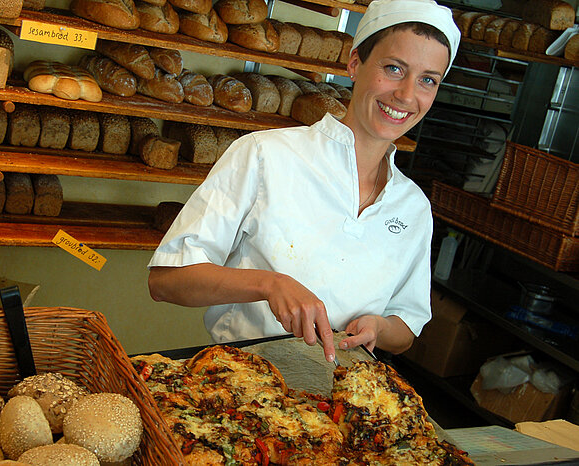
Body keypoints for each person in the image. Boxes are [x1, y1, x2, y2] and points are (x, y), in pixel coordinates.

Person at [147, 0, 461, 363]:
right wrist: (270, 283)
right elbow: (165, 280)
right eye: (393, 68)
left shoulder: (413, 206)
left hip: (346, 394)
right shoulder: (265, 155)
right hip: (243, 380)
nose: (407, 95)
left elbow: (405, 328)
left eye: (427, 80)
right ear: (355, 63)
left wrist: (378, 325)